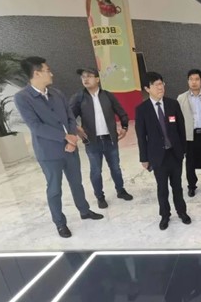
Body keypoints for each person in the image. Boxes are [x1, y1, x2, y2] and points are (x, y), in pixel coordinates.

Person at [14, 57, 103, 238]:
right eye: (47, 70)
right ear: (37, 73)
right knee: (54, 188)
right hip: (49, 152)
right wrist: (65, 137)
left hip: (71, 148)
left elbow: (70, 117)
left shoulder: (57, 93)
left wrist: (71, 139)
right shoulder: (23, 98)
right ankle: (60, 223)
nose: (51, 73)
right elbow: (35, 126)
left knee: (76, 183)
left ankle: (84, 210)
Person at [69, 67, 133, 209]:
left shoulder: (108, 96)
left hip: (110, 139)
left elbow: (122, 113)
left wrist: (124, 127)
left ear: (97, 79)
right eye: (83, 77)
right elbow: (69, 117)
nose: (85, 79)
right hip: (92, 141)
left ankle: (120, 190)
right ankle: (100, 196)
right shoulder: (79, 97)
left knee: (115, 168)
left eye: (89, 76)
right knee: (96, 171)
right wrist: (76, 128)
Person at [135, 72, 191, 230]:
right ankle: (165, 215)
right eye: (156, 85)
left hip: (175, 154)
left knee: (177, 186)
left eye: (162, 84)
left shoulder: (173, 104)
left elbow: (181, 129)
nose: (161, 87)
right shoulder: (142, 109)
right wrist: (144, 158)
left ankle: (182, 211)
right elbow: (141, 136)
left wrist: (183, 150)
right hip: (157, 156)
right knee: (162, 188)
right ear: (147, 88)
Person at [177, 69, 201, 197]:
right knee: (190, 162)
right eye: (191, 79)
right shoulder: (181, 98)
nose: (194, 82)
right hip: (189, 135)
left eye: (197, 79)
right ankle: (192, 186)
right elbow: (178, 118)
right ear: (188, 81)